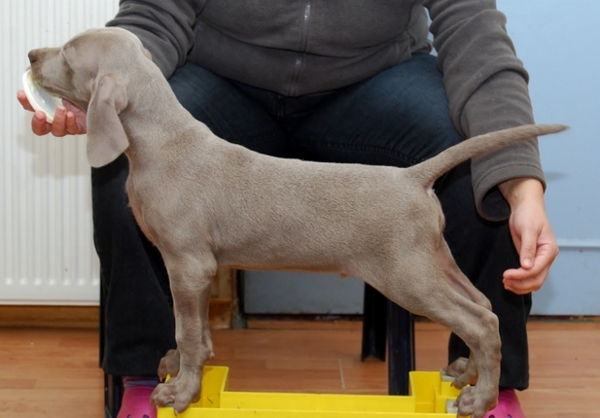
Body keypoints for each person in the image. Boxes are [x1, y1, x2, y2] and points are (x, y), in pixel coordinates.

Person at [18, 1, 559, 417]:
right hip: (225, 74)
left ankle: (494, 372)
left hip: (369, 77)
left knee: (476, 176)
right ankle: (144, 375)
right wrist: (107, 95)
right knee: (124, 177)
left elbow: (475, 34)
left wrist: (522, 183)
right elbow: (154, 16)